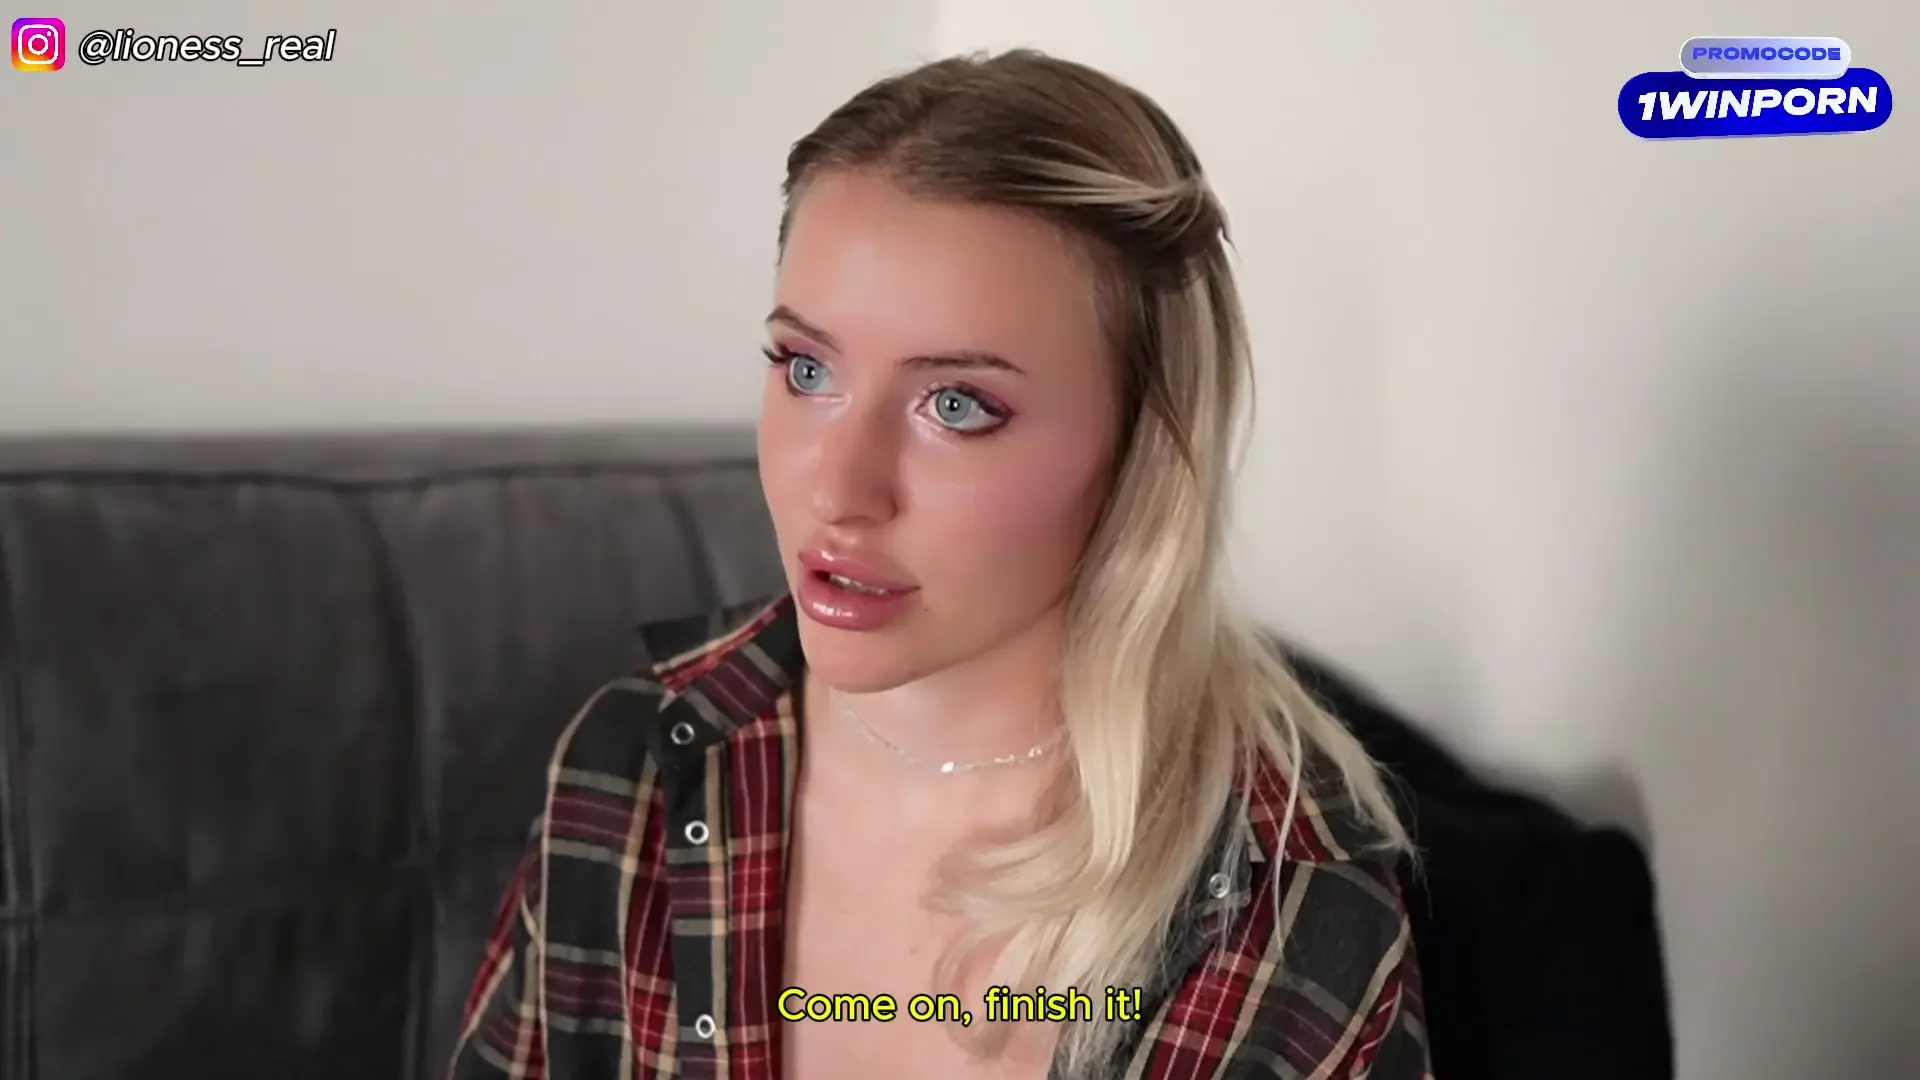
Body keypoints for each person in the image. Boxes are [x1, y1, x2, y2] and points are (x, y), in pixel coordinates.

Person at [448, 48, 1431, 1080]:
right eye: (806, 368)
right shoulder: (635, 768)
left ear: (1139, 447)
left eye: (956, 405)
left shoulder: (1288, 906)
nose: (840, 489)